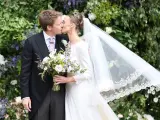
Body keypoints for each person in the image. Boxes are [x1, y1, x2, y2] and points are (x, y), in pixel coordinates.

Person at [54, 15, 119, 120]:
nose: (61, 25)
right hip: (70, 89)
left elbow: (88, 73)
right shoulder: (68, 45)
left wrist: (67, 79)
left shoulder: (81, 46)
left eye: (63, 22)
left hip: (80, 90)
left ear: (72, 25)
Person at [20, 10, 68, 120]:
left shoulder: (65, 40)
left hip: (60, 94)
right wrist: (25, 96)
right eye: (59, 23)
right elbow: (25, 72)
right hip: (38, 95)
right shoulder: (31, 42)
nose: (62, 25)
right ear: (49, 27)